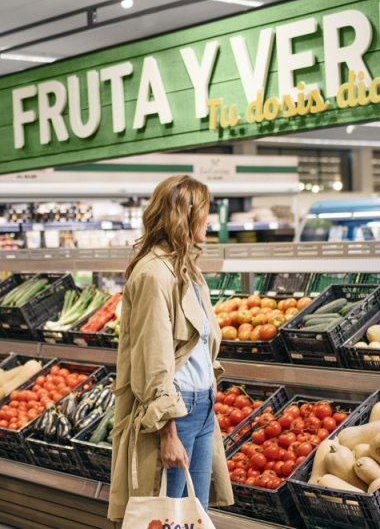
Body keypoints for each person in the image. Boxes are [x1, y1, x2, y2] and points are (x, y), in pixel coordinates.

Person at [108, 175, 233, 521]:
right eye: (204, 212)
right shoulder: (154, 275)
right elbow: (154, 358)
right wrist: (168, 431)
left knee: (193, 516)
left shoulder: (186, 269)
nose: (209, 221)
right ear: (184, 216)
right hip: (177, 412)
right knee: (164, 516)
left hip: (202, 406)